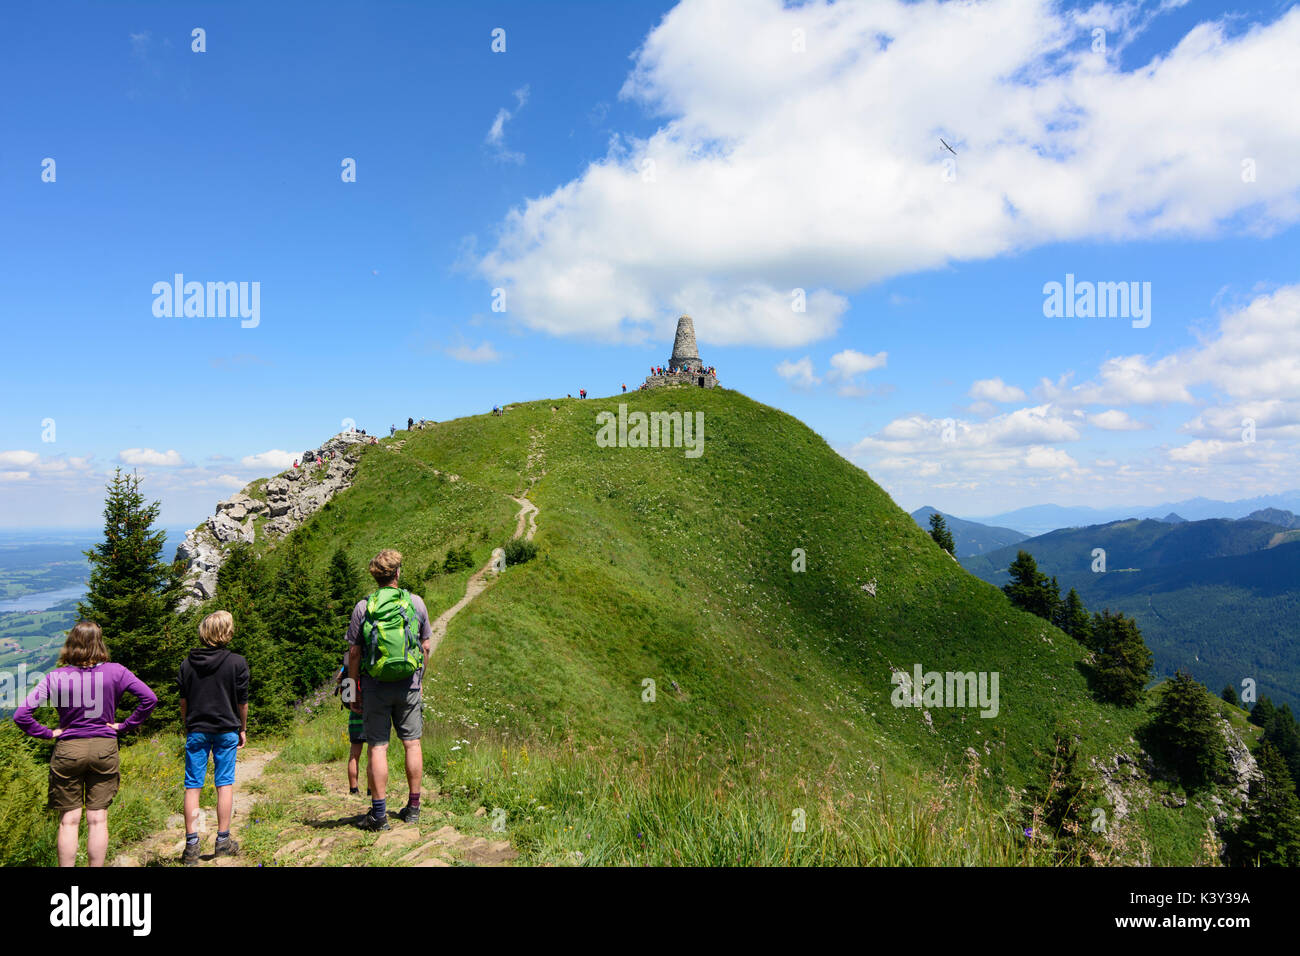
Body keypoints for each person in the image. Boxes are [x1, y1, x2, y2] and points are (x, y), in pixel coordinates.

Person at [13, 621, 157, 867]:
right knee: (98, 819)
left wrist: (48, 733)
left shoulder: (55, 677)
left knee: (69, 820)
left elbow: (21, 715)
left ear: (71, 644)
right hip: (104, 747)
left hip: (68, 749)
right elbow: (149, 699)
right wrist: (126, 725)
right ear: (99, 643)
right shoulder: (117, 672)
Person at [348, 549, 432, 831]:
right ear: (398, 573)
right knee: (412, 743)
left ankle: (379, 815)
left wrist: (352, 691)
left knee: (378, 747)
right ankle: (414, 808)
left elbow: (354, 654)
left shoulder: (364, 607)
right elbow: (426, 646)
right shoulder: (416, 603)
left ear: (376, 577)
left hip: (374, 687)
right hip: (408, 684)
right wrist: (419, 681)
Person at [178, 610, 250, 866]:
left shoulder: (187, 663)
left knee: (193, 786)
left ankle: (191, 846)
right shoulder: (237, 663)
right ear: (227, 632)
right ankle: (222, 841)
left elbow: (184, 701)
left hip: (197, 729)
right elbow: (242, 702)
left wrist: (188, 724)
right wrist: (242, 728)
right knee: (224, 784)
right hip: (226, 730)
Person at [333, 657, 369, 796]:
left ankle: (353, 789)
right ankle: (372, 790)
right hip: (372, 713)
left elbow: (338, 679)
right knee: (373, 753)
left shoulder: (349, 663)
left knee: (354, 754)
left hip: (355, 713)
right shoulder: (370, 659)